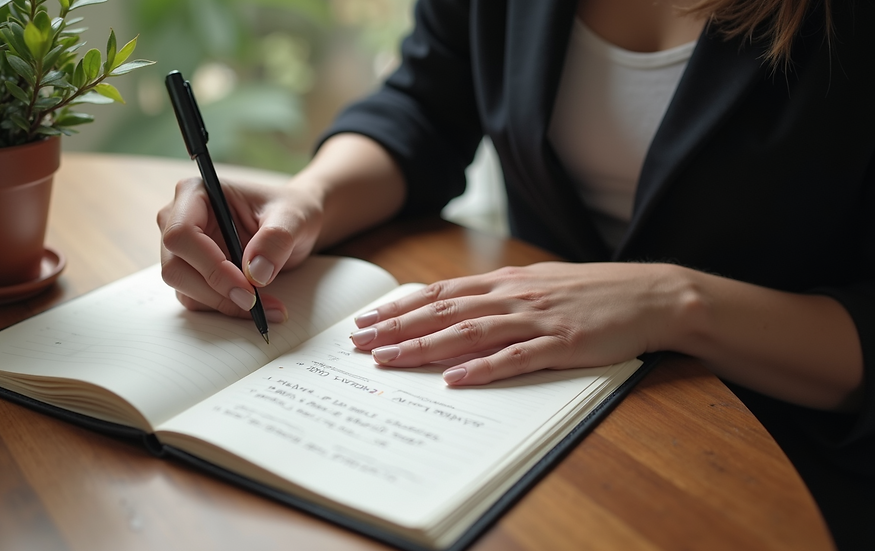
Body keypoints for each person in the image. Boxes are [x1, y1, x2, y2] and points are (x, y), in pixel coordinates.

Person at [157, 0, 873, 548]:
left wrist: (677, 302)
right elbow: (425, 104)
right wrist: (307, 198)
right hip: (531, 416)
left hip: (782, 449)